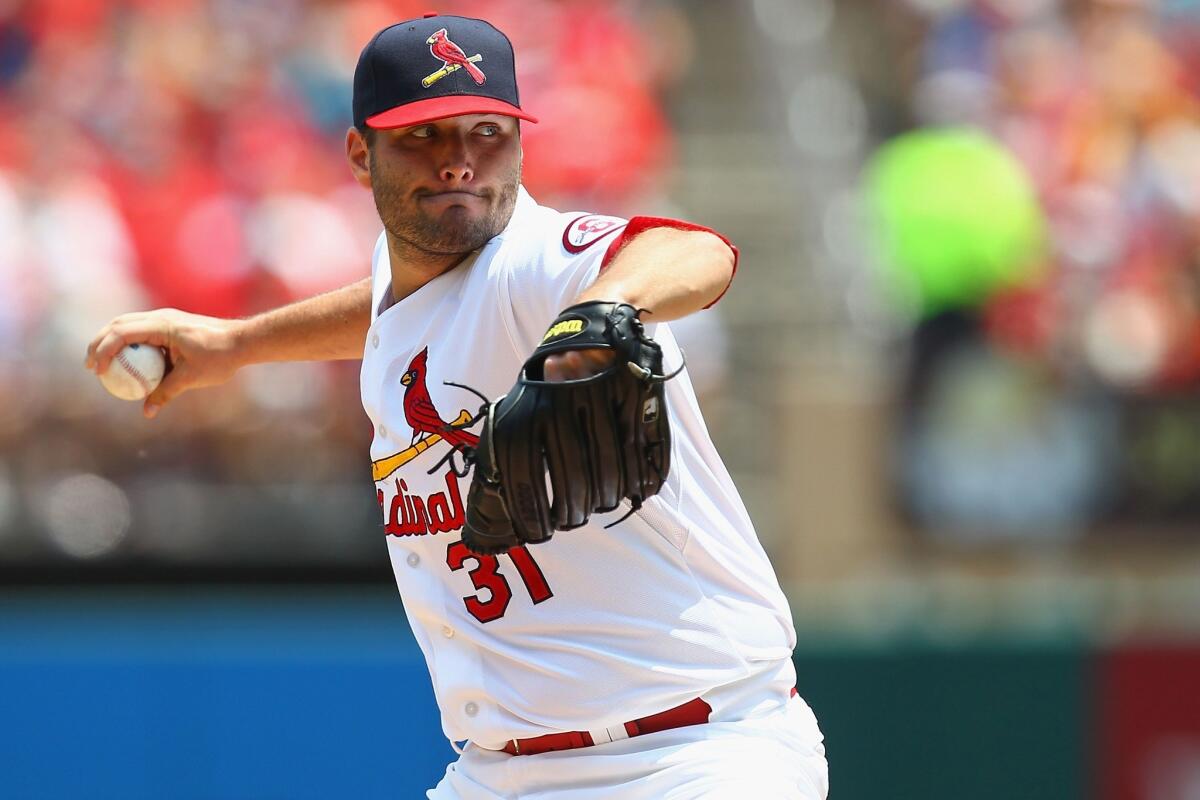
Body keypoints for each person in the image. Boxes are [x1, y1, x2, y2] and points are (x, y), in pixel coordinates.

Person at [85, 14, 828, 799]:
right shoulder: (415, 282)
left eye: (486, 133)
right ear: (359, 153)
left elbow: (695, 251)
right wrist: (236, 344)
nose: (459, 163)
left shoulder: (537, 264)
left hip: (695, 754)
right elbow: (393, 310)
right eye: (424, 136)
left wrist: (599, 314)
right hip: (502, 773)